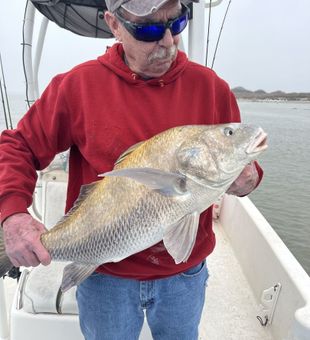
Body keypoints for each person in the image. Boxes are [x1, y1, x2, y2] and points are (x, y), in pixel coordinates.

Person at [0, 0, 263, 339]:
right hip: (103, 276)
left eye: (177, 22)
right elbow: (17, 145)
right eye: (149, 29)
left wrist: (249, 178)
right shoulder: (77, 86)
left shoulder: (212, 89)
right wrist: (13, 215)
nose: (168, 40)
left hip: (183, 278)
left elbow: (238, 163)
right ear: (114, 24)